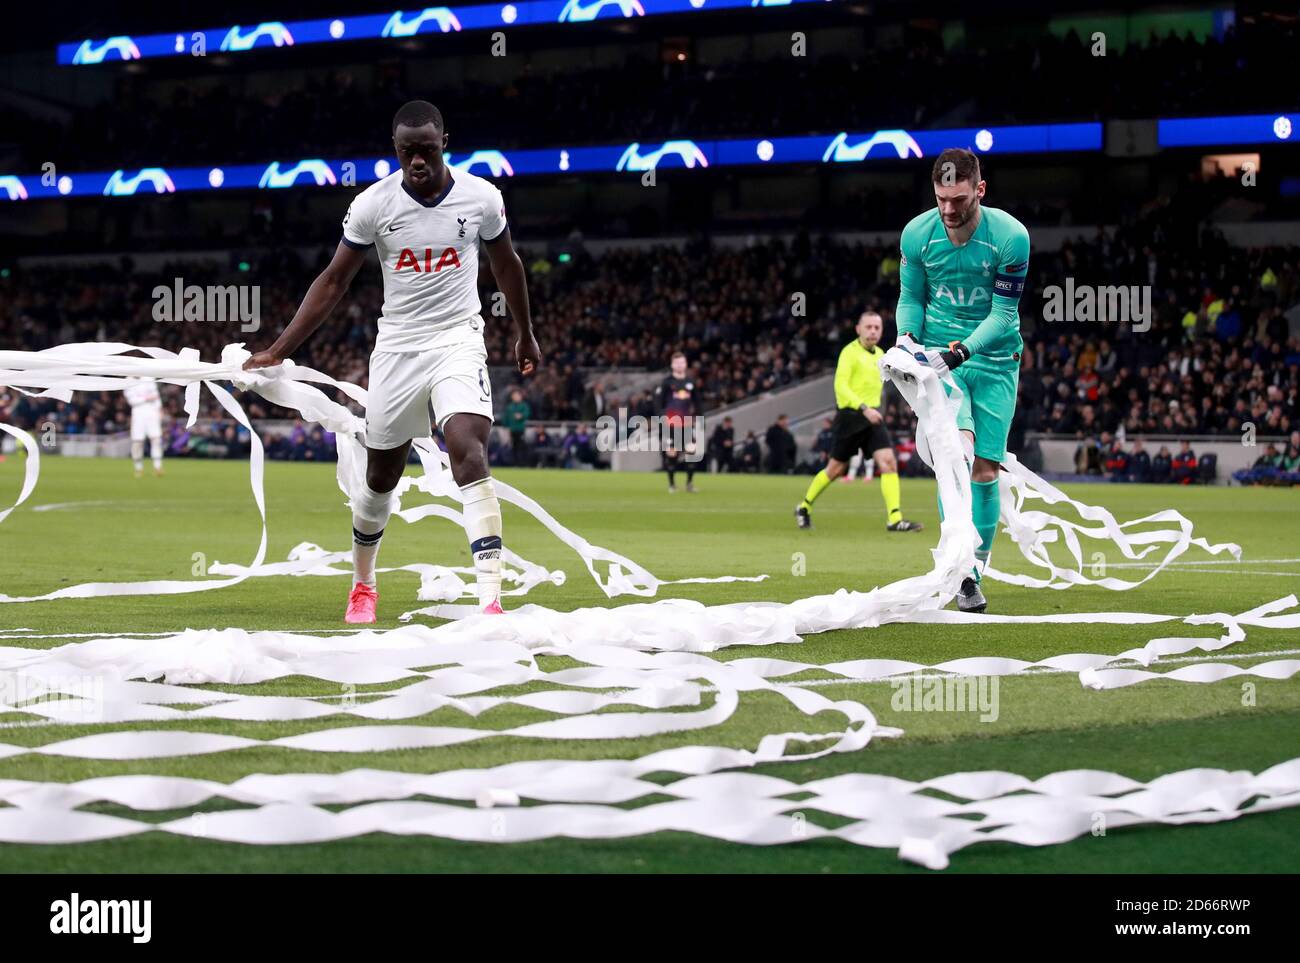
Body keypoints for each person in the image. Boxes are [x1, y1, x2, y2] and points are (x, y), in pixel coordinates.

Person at [243, 100, 540, 622]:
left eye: (425, 149)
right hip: (398, 347)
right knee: (382, 475)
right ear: (396, 150)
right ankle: (363, 585)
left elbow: (506, 263)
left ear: (444, 141)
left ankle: (490, 597)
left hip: (458, 338)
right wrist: (277, 350)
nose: (417, 161)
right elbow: (334, 281)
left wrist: (525, 334)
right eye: (407, 152)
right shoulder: (373, 205)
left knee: (467, 449)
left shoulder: (481, 198)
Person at [896, 147, 1031, 613]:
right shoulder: (917, 234)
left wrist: (963, 351)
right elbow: (911, 296)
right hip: (941, 364)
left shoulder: (1011, 237)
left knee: (985, 471)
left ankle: (977, 565)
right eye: (940, 199)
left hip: (994, 360)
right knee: (957, 456)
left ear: (980, 189)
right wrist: (907, 337)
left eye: (959, 199)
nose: (949, 210)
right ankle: (964, 575)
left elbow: (1004, 312)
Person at [795, 311, 922, 532]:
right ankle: (804, 507)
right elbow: (840, 388)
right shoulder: (849, 353)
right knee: (835, 469)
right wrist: (864, 408)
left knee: (888, 462)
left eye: (877, 327)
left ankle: (894, 518)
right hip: (850, 417)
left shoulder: (881, 354)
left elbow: (898, 380)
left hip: (872, 417)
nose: (873, 331)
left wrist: (914, 400)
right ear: (858, 329)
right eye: (868, 327)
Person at [655, 351, 698, 492]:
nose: (680, 365)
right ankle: (672, 485)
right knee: (672, 453)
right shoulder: (667, 382)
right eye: (677, 363)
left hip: (686, 422)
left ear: (686, 364)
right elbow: (658, 402)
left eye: (682, 362)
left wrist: (699, 416)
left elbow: (697, 402)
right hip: (671, 423)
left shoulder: (690, 381)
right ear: (672, 365)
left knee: (691, 451)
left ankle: (689, 484)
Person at [123, 377, 165, 478]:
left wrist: (160, 410)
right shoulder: (127, 381)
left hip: (152, 412)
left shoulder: (149, 378)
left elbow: (156, 396)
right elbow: (133, 400)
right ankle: (138, 468)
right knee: (137, 442)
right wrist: (146, 398)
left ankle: (158, 467)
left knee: (156, 439)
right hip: (138, 413)